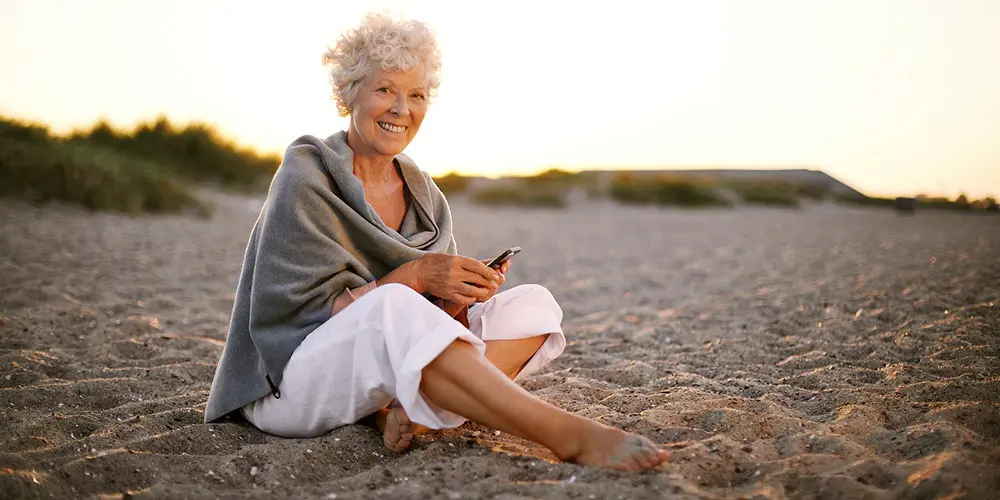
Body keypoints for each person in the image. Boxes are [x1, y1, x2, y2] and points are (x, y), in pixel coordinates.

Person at [204, 13, 669, 471]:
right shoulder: (307, 177)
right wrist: (416, 276)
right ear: (350, 93)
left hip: (377, 370)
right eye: (384, 89)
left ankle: (405, 417)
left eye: (416, 95)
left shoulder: (426, 195)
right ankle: (569, 436)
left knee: (534, 306)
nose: (400, 109)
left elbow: (427, 323)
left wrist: (458, 297)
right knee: (393, 306)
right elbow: (293, 318)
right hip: (287, 383)